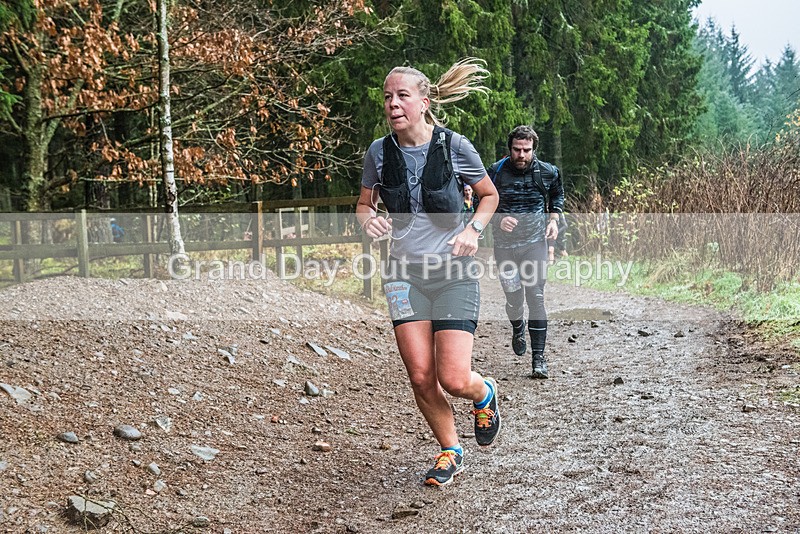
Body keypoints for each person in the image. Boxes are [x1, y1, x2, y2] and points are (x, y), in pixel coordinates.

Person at [356, 58, 501, 487]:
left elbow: (488, 196)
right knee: (421, 376)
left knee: (453, 378)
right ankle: (449, 451)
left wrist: (473, 229)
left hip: (453, 273)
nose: (393, 104)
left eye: (402, 96)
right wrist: (370, 221)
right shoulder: (379, 153)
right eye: (387, 97)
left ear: (424, 101)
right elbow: (364, 205)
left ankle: (485, 394)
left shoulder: (455, 146)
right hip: (404, 275)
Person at [488, 125, 564, 379]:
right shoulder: (495, 172)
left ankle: (538, 358)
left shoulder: (547, 171)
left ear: (534, 149)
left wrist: (553, 220)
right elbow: (478, 203)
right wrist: (498, 220)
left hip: (534, 244)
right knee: (513, 298)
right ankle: (517, 326)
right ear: (509, 148)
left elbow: (557, 196)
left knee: (536, 296)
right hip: (505, 247)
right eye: (517, 150)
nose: (521, 155)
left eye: (527, 150)